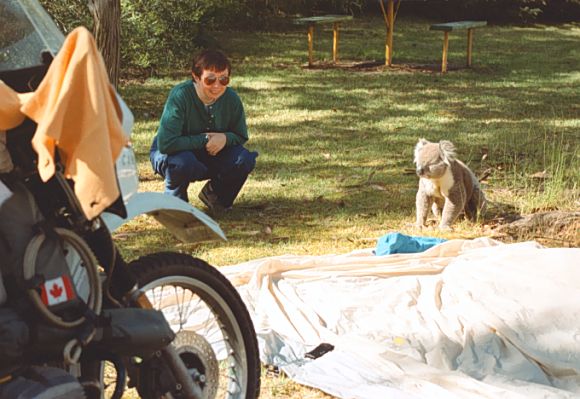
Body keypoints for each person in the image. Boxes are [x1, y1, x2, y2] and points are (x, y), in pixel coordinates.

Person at [150, 49, 258, 211]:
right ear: (196, 76)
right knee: (182, 162)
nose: (217, 86)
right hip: (173, 155)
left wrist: (225, 138)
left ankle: (216, 196)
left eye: (224, 79)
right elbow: (166, 144)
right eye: (210, 80)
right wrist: (205, 139)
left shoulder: (231, 99)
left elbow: (241, 135)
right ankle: (175, 202)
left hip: (210, 155)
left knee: (245, 159)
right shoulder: (180, 96)